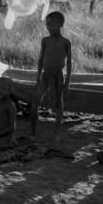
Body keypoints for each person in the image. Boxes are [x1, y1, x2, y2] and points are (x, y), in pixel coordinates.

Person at [30, 11, 72, 140]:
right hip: (45, 75)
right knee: (35, 101)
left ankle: (56, 132)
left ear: (61, 25)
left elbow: (69, 62)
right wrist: (37, 78)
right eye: (47, 24)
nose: (49, 27)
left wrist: (67, 83)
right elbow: (41, 59)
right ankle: (32, 132)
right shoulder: (45, 40)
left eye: (52, 25)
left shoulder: (65, 42)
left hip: (58, 76)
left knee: (58, 104)